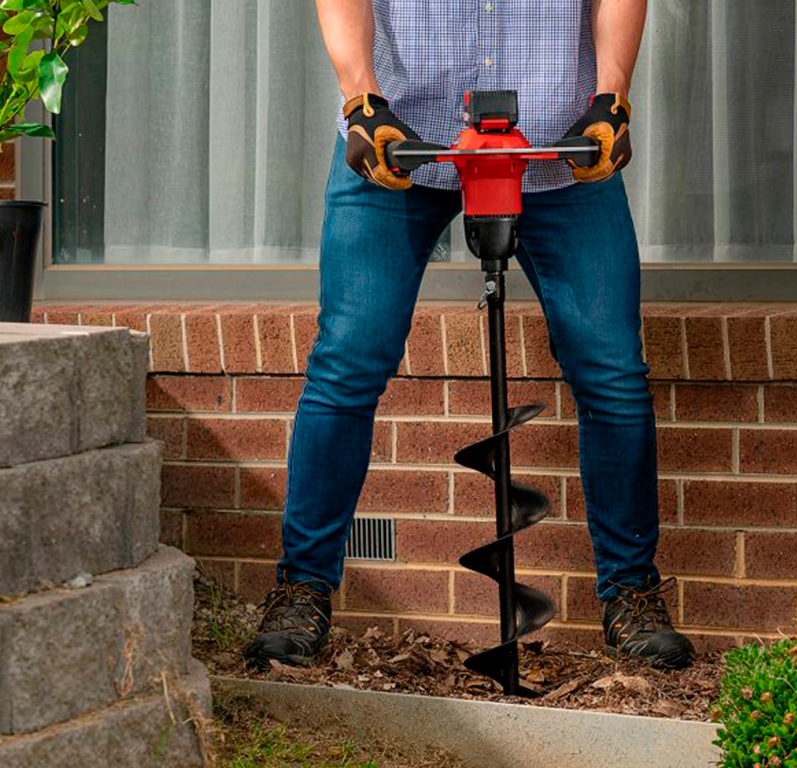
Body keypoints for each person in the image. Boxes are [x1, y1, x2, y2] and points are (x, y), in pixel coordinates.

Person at [244, 0, 695, 672]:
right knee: (347, 363)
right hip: (398, 140)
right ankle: (301, 588)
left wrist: (613, 95)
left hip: (555, 146)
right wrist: (360, 94)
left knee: (613, 372)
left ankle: (631, 592)